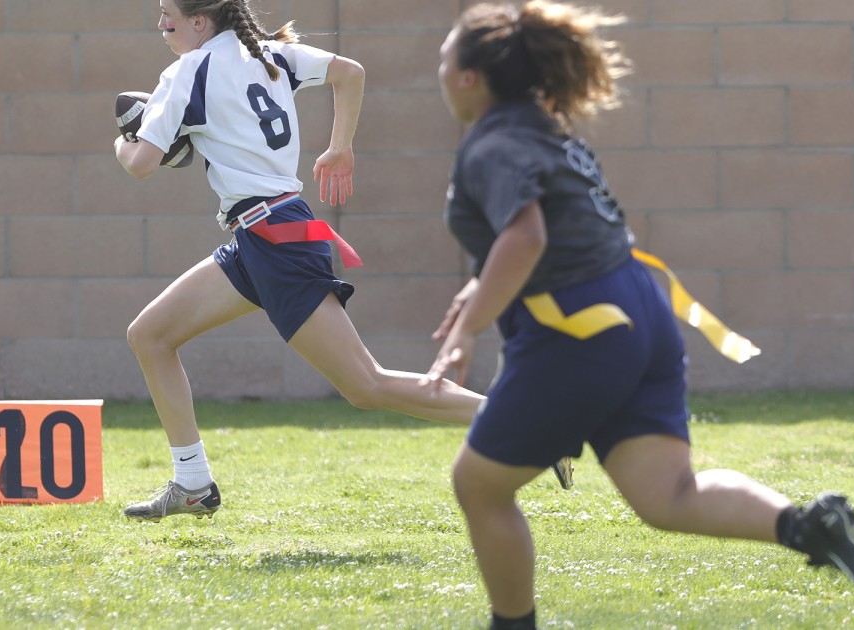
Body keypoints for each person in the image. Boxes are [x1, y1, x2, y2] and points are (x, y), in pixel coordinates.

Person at [423, 2, 854, 628]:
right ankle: (812, 526)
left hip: (582, 331)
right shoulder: (547, 129)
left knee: (479, 484)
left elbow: (527, 238)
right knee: (668, 494)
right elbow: (560, 233)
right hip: (640, 306)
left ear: (468, 77)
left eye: (442, 58)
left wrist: (466, 331)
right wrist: (480, 290)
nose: (437, 70)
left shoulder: (492, 144)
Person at [113, 0, 573, 523]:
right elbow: (349, 73)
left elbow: (142, 165)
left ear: (201, 21)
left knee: (366, 385)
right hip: (265, 235)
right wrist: (340, 148)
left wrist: (124, 142)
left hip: (273, 239)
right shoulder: (269, 53)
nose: (161, 23)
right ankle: (193, 483)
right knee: (149, 335)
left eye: (168, 13)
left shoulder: (186, 71)